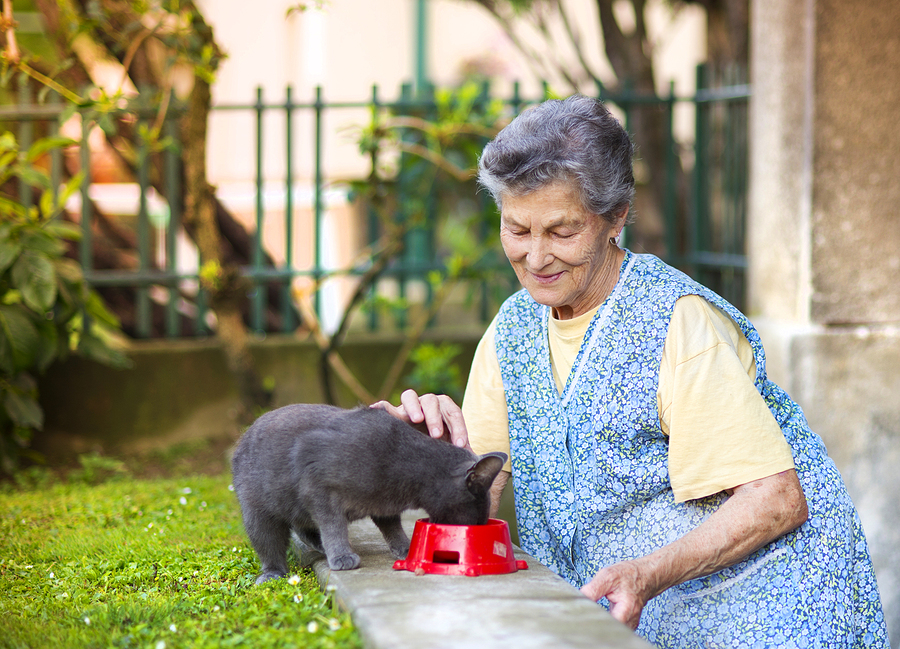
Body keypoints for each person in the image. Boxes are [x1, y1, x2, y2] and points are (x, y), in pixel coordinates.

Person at [373, 95, 888, 647]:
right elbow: (481, 484)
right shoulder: (513, 328)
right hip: (628, 618)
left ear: (615, 216)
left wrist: (646, 573)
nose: (537, 257)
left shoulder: (676, 321)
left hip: (765, 616)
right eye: (517, 230)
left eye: (562, 231)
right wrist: (415, 453)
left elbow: (776, 498)